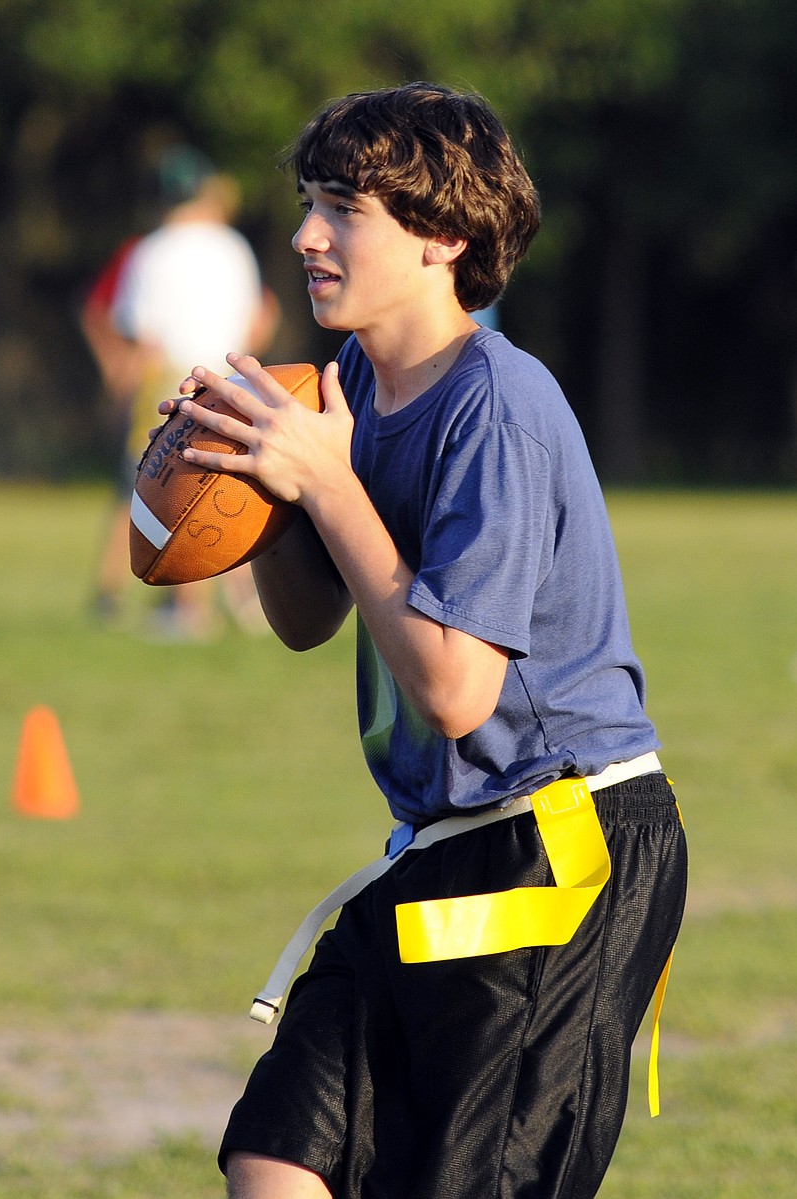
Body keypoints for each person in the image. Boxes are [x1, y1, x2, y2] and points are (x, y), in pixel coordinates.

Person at [164, 83, 688, 1198]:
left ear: (444, 237)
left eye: (344, 208)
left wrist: (325, 480)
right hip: (446, 841)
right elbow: (309, 620)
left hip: (562, 848)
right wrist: (251, 488)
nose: (306, 234)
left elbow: (454, 688)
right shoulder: (347, 383)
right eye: (308, 202)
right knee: (277, 1153)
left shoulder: (496, 408)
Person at [85, 144, 278, 637]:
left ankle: (181, 609)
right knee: (217, 486)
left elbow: (142, 333)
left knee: (159, 488)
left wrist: (122, 389)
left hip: (172, 376)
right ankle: (232, 602)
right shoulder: (234, 246)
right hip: (230, 376)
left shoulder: (151, 251)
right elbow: (257, 320)